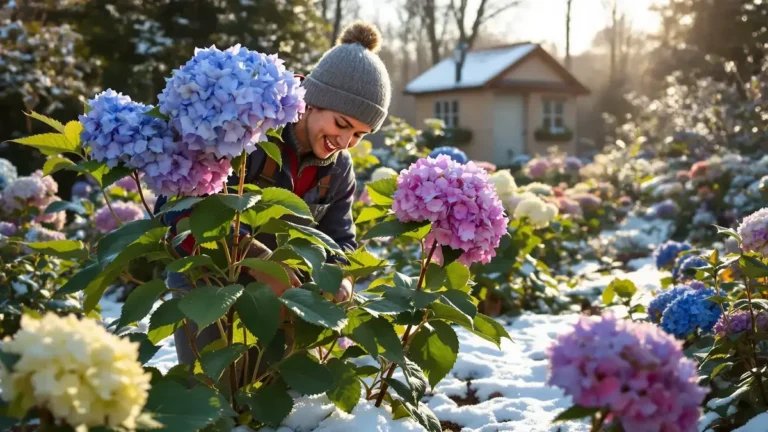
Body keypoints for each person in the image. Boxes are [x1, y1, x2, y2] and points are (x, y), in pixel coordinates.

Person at [155, 21, 392, 366]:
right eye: (341, 124)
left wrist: (340, 276)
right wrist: (257, 259)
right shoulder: (250, 131)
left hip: (284, 300)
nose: (344, 142)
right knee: (210, 390)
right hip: (207, 284)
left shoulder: (339, 170)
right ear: (312, 102)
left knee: (276, 400)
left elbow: (340, 238)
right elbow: (175, 209)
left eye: (359, 135)